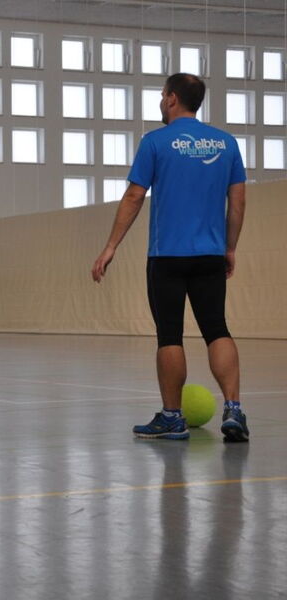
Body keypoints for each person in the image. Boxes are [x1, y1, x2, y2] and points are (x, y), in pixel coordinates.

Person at [91, 73, 248, 443]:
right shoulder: (226, 143)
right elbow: (238, 202)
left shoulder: (155, 142)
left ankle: (172, 418)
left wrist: (111, 246)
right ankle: (234, 410)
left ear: (173, 98)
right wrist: (229, 248)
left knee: (169, 335)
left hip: (167, 257)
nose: (161, 101)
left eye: (163, 95)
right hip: (210, 254)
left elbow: (134, 196)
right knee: (216, 328)